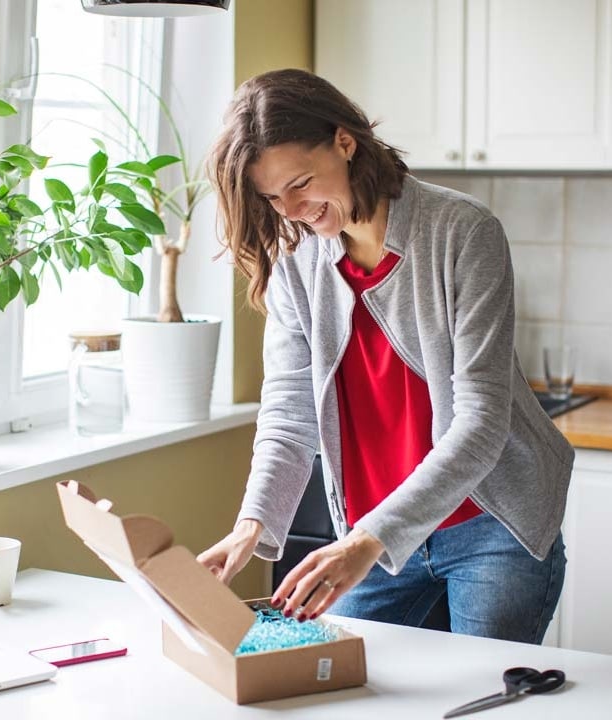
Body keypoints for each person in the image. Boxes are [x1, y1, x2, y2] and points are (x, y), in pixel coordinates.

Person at [197, 68, 573, 643]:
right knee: (349, 692)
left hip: (487, 527)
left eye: (300, 182)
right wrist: (253, 525)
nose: (293, 209)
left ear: (344, 141)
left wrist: (363, 543)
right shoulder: (297, 262)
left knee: (480, 697)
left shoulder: (462, 231)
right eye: (273, 197)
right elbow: (289, 413)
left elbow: (480, 422)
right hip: (368, 536)